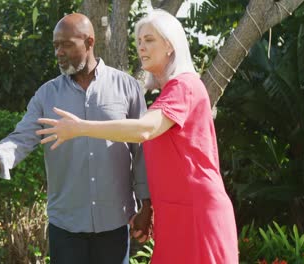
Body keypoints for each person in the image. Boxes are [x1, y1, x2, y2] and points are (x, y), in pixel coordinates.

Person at [36, 9, 239, 264]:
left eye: (150, 40)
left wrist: (80, 127)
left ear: (170, 45)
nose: (141, 47)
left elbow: (143, 130)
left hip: (196, 214)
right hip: (174, 214)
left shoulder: (184, 86)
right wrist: (149, 206)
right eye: (139, 41)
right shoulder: (168, 93)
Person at [0, 13, 153, 264]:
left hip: (114, 222)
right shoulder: (47, 95)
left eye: (67, 44)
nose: (59, 52)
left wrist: (146, 204)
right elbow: (21, 138)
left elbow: (141, 150)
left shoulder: (126, 87)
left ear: (89, 42)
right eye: (56, 46)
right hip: (66, 226)